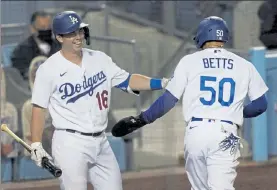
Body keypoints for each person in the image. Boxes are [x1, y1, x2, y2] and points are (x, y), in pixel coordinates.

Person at [111, 16, 269, 190]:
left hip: (197, 133)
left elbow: (169, 100)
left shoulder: (189, 61)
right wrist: (237, 111)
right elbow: (261, 105)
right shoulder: (244, 65)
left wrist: (142, 119)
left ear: (201, 36)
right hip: (226, 132)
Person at [29, 11, 169, 190]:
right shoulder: (48, 69)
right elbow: (38, 108)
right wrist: (36, 143)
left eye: (79, 31)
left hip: (101, 140)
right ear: (59, 37)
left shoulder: (100, 59)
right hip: (70, 142)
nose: (78, 37)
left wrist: (162, 83)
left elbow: (128, 80)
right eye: (71, 33)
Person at [11, 11, 60, 80]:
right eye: (42, 28)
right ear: (32, 29)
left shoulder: (60, 46)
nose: (46, 30)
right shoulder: (21, 50)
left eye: (49, 28)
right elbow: (19, 73)